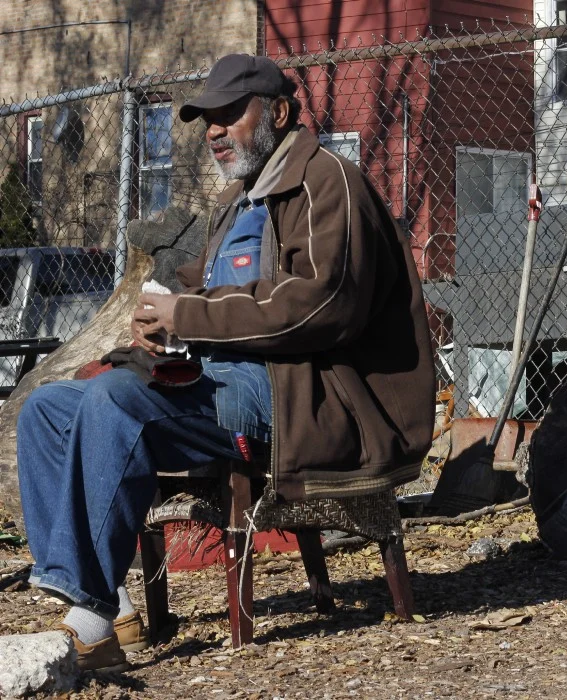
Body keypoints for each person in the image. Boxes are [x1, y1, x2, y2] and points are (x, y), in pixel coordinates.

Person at [16, 54, 435, 671]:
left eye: (229, 114)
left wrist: (187, 315)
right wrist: (158, 324)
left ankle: (89, 612)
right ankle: (109, 607)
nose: (213, 129)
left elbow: (320, 306)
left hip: (309, 394)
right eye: (207, 118)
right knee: (47, 410)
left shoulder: (327, 182)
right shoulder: (238, 199)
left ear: (279, 113)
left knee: (115, 401)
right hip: (225, 379)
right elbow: (207, 290)